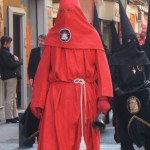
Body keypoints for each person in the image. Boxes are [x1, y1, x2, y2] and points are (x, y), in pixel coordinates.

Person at [30, 0, 113, 149]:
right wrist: (38, 100)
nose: (66, 16)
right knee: (55, 139)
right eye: (62, 12)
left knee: (82, 139)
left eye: (70, 11)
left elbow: (103, 71)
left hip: (82, 98)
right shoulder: (53, 36)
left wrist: (103, 98)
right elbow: (42, 73)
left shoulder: (91, 36)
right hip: (57, 99)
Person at [109, 1, 150, 150]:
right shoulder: (115, 59)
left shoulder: (142, 56)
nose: (131, 43)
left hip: (142, 98)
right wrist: (118, 90)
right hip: (123, 99)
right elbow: (112, 79)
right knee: (126, 136)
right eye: (128, 41)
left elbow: (147, 74)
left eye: (133, 40)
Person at [0, 36, 21, 123]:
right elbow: (10, 64)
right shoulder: (4, 53)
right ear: (5, 43)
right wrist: (18, 61)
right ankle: (9, 117)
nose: (11, 44)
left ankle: (15, 115)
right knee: (10, 97)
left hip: (8, 76)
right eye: (10, 42)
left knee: (13, 96)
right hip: (10, 76)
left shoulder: (4, 52)